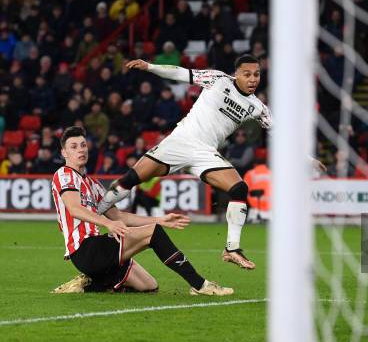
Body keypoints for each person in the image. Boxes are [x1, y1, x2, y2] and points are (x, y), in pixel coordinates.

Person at [97, 55, 326, 270]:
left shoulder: (258, 107)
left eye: (256, 74)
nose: (253, 79)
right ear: (236, 74)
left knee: (239, 188)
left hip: (205, 153)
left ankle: (231, 249)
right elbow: (181, 73)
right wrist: (150, 67)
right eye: (247, 74)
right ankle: (94, 214)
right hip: (180, 141)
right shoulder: (217, 79)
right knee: (131, 179)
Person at [51, 126, 232, 296]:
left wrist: (160, 220)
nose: (81, 150)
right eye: (74, 147)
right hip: (84, 249)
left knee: (149, 286)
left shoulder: (93, 184)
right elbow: (74, 209)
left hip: (99, 250)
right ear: (64, 153)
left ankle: (91, 283)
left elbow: (119, 216)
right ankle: (200, 285)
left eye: (83, 145)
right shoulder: (64, 174)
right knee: (153, 234)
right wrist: (109, 224)